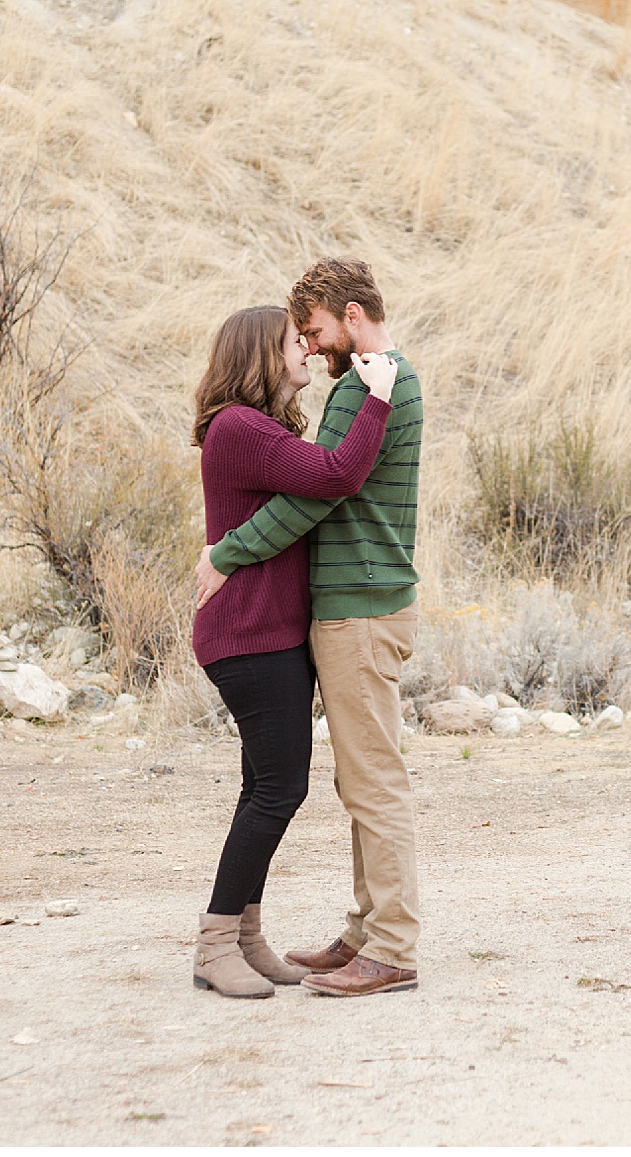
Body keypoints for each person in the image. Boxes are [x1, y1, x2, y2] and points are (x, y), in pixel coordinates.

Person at [195, 257, 425, 998]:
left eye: (315, 332)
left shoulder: (373, 385)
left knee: (362, 781)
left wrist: (228, 552)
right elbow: (321, 484)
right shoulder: (356, 388)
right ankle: (356, 932)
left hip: (358, 605)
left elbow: (324, 488)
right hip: (310, 616)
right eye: (296, 339)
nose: (310, 347)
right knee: (329, 780)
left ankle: (386, 946)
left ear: (350, 317)